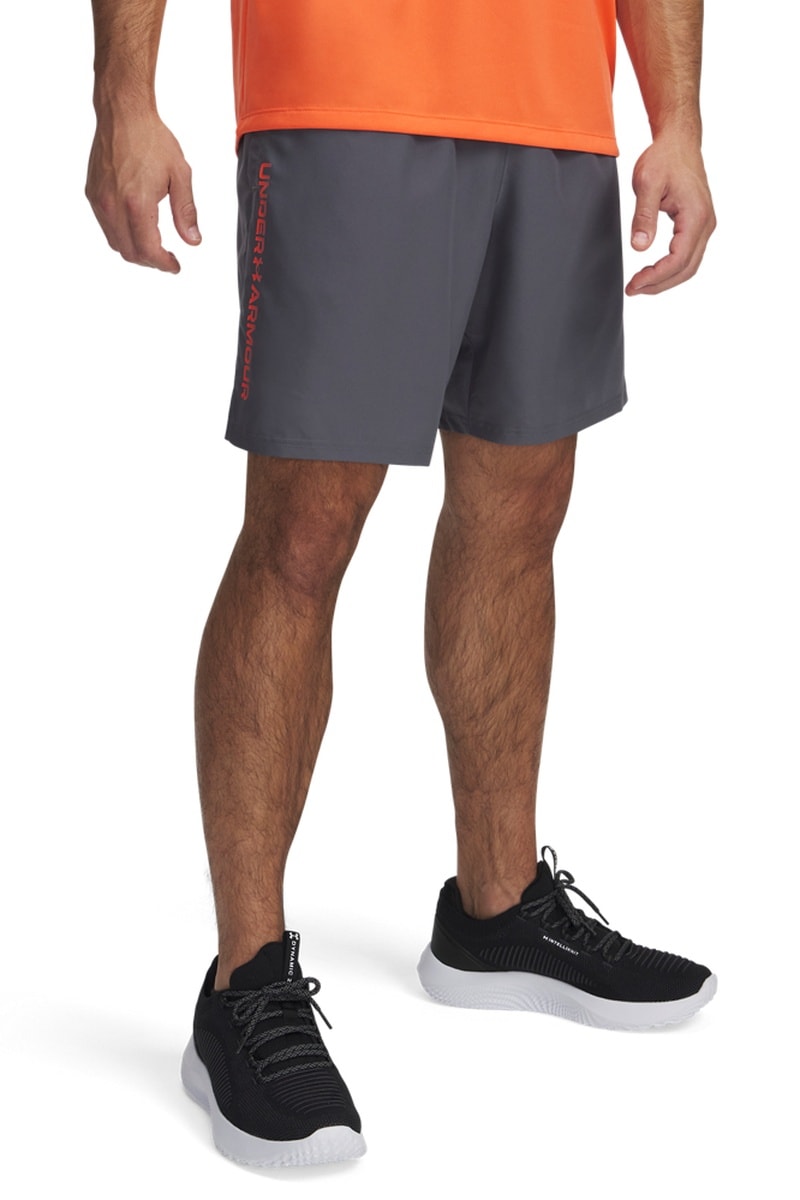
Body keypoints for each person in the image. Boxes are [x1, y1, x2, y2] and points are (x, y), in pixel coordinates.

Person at [86, 0, 717, 1170]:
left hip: (556, 119)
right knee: (303, 533)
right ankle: (244, 985)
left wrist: (674, 116)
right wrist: (125, 94)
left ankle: (497, 910)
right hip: (341, 93)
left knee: (521, 514)